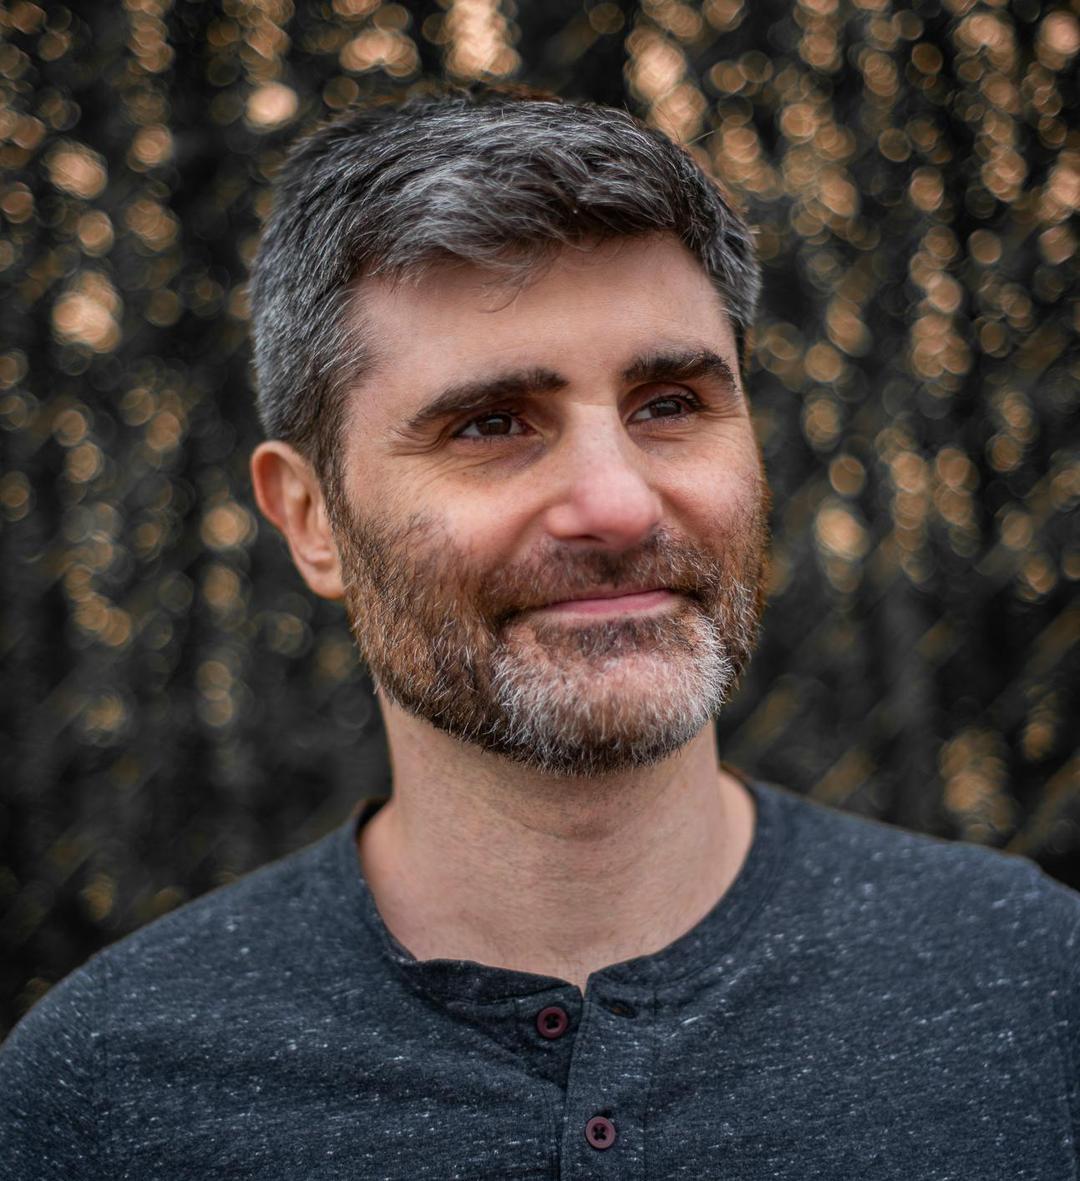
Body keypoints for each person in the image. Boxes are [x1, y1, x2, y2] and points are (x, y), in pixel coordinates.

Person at [2, 84, 1077, 1179]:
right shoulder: (108, 1092)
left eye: (669, 403)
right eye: (491, 424)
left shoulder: (1031, 985)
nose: (616, 504)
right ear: (311, 520)